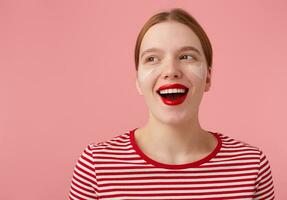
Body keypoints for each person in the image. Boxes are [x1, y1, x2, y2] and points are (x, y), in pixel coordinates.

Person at [68, 8, 275, 199]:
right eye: (152, 59)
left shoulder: (251, 166)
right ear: (138, 80)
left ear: (209, 78)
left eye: (186, 56)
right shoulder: (96, 165)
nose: (171, 70)